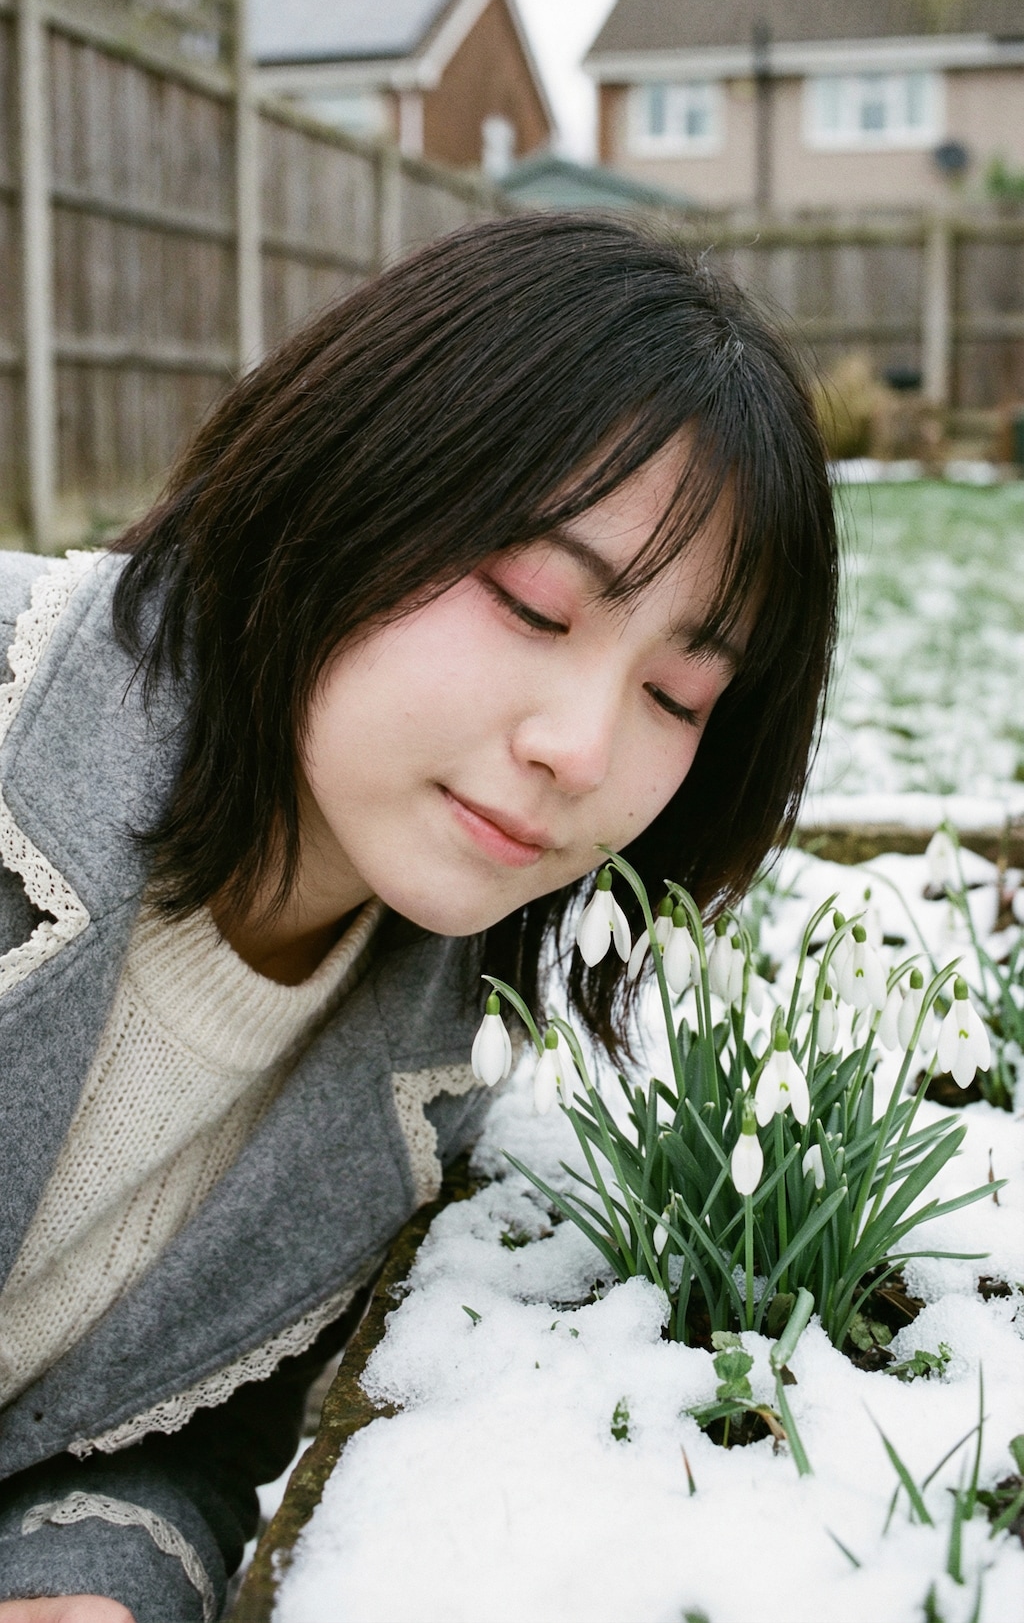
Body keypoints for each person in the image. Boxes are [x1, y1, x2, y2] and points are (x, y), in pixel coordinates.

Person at [0, 213, 836, 1621]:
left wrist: (92, 1583)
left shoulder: (429, 1069)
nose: (583, 747)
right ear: (351, 483)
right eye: (531, 603)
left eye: (677, 697)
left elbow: (174, 1440)